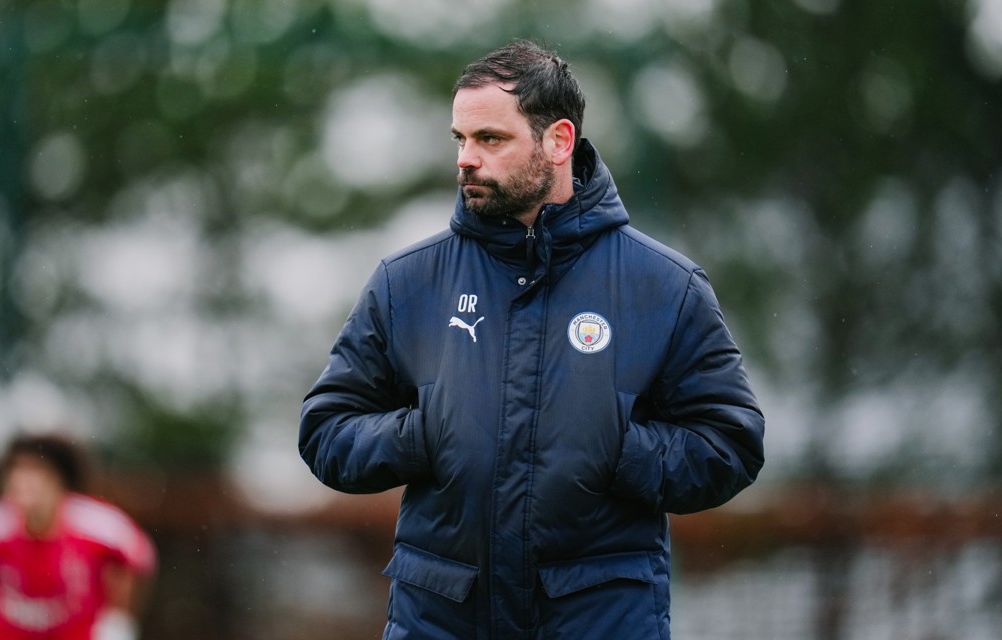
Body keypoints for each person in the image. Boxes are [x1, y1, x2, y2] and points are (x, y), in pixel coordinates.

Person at [299, 40, 765, 639]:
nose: (467, 159)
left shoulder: (664, 286)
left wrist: (619, 449)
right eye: (460, 139)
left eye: (490, 139)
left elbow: (730, 442)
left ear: (559, 141)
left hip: (600, 620)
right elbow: (326, 430)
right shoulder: (406, 282)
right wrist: (422, 434)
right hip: (441, 619)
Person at [0, 433, 156, 640]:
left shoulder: (101, 525)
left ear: (61, 480)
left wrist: (118, 621)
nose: (22, 481)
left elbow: (139, 561)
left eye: (36, 471)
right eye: (16, 471)